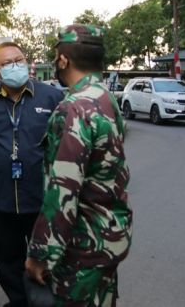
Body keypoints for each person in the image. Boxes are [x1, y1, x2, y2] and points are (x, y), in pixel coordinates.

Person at [25, 24, 133, 306]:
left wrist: (40, 254)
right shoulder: (105, 97)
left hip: (83, 247)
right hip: (111, 235)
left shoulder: (73, 108)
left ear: (63, 60)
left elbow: (63, 190)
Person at [0, 42, 64, 307]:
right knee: (7, 261)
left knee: (47, 259)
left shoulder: (51, 97)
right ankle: (19, 301)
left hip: (42, 198)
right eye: (7, 63)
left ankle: (45, 303)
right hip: (2, 198)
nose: (16, 66)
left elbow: (64, 144)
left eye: (19, 59)